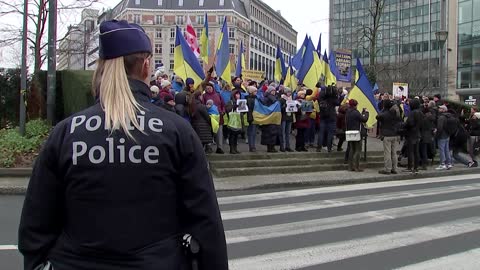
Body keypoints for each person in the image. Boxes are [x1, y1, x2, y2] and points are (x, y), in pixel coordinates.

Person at [18, 20, 227, 270]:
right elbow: (206, 225)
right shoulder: (177, 132)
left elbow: (35, 226)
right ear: (146, 66)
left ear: (101, 68)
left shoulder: (66, 133)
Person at [376, 99, 402, 175]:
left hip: (387, 135)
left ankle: (387, 169)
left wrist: (383, 109)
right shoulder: (396, 113)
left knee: (387, 153)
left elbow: (377, 116)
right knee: (394, 153)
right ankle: (394, 168)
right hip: (395, 134)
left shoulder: (384, 114)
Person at [346, 99, 369, 172]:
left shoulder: (348, 112)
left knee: (351, 149)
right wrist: (366, 113)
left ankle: (350, 166)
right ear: (355, 105)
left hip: (349, 132)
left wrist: (362, 113)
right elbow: (364, 119)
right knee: (358, 150)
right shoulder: (356, 112)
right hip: (357, 132)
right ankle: (356, 166)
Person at [203, 82, 226, 154]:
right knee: (209, 132)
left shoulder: (218, 95)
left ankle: (219, 147)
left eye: (209, 88)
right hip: (209, 117)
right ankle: (208, 147)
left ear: (213, 88)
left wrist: (223, 111)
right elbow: (203, 105)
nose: (208, 90)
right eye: (207, 89)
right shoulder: (204, 96)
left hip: (219, 116)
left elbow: (223, 105)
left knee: (219, 133)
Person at [317, 85, 340, 152]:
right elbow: (338, 103)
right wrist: (336, 95)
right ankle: (329, 148)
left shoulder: (321, 98)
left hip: (323, 117)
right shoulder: (333, 99)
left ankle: (319, 147)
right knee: (330, 133)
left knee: (321, 132)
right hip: (331, 117)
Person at [404, 98, 423, 173]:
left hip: (411, 133)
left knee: (410, 151)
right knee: (416, 151)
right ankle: (416, 167)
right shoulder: (420, 113)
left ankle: (410, 166)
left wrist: (405, 125)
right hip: (418, 133)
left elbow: (410, 123)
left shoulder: (412, 113)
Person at [261, 86, 280, 153]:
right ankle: (270, 147)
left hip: (274, 117)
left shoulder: (275, 98)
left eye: (274, 91)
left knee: (273, 133)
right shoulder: (267, 98)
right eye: (272, 91)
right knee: (269, 133)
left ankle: (272, 146)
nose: (274, 92)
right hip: (269, 117)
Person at [435, 105, 453, 170]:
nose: (439, 109)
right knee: (446, 150)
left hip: (442, 135)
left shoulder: (441, 117)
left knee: (441, 150)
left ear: (443, 110)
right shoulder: (449, 116)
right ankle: (449, 163)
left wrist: (437, 135)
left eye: (440, 108)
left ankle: (442, 164)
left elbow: (439, 127)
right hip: (447, 135)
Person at [279, 87, 294, 152]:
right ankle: (282, 146)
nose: (289, 93)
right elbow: (279, 109)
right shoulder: (282, 99)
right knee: (282, 132)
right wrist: (284, 106)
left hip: (289, 117)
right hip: (284, 117)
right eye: (288, 92)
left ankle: (288, 146)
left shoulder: (291, 99)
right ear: (285, 92)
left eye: (290, 92)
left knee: (288, 133)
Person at [246, 86, 258, 152]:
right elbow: (251, 107)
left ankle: (253, 145)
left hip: (255, 116)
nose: (256, 92)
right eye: (255, 91)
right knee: (252, 132)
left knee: (253, 132)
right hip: (251, 116)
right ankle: (252, 146)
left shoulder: (256, 98)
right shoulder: (249, 99)